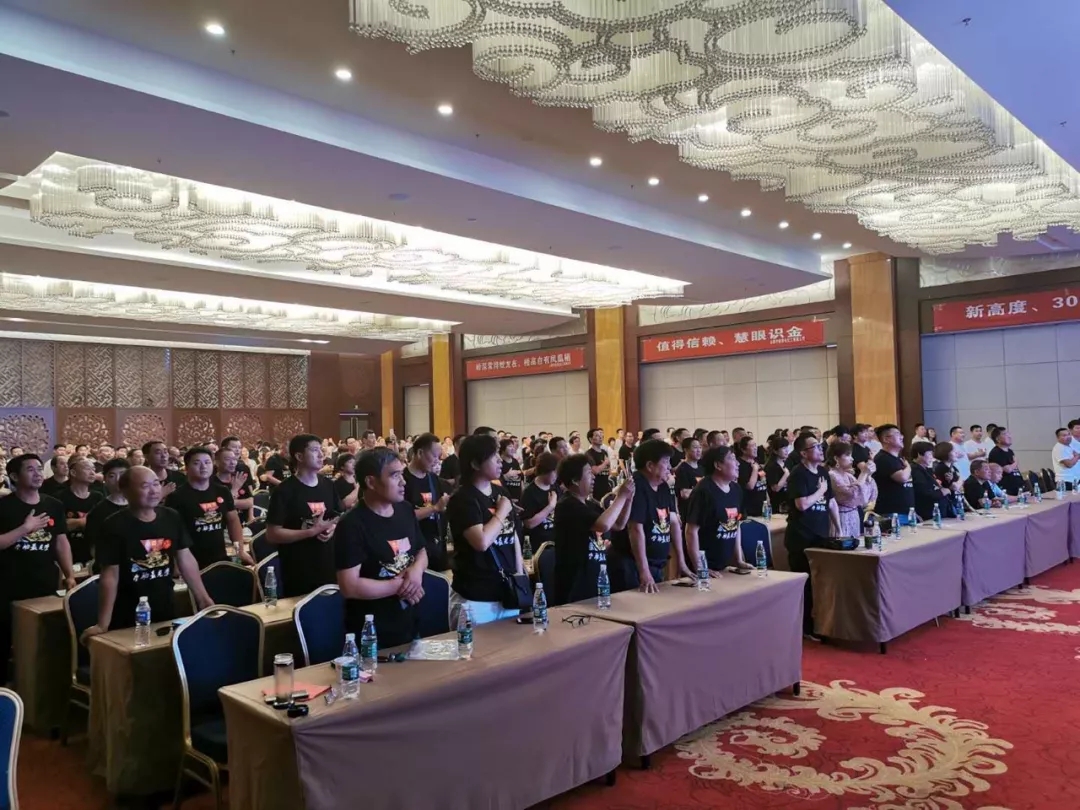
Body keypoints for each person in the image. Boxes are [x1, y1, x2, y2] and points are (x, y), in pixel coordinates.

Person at [81, 466, 212, 639]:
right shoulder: (113, 525)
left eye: (156, 484)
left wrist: (203, 599)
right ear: (126, 491)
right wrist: (103, 623)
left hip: (165, 605)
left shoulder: (171, 517)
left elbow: (185, 559)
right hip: (127, 612)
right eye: (145, 486)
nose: (153, 491)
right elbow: (110, 575)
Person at [334, 447, 428, 649]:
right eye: (395, 476)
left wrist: (416, 572)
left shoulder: (405, 510)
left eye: (402, 474)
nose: (403, 482)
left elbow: (421, 551)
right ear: (371, 482)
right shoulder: (352, 524)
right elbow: (349, 586)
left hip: (410, 619)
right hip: (371, 631)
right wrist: (403, 585)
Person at [0, 454, 75, 683]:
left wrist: (70, 575)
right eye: (30, 469)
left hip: (44, 582)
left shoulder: (53, 504)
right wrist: (26, 528)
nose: (37, 474)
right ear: (14, 476)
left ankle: (37, 688)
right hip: (8, 584)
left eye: (39, 469)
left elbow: (61, 542)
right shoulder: (4, 506)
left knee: (41, 640)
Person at [446, 434, 524, 626]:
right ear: (475, 463)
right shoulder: (463, 499)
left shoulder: (500, 492)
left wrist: (519, 576)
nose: (499, 460)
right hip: (475, 598)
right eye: (492, 455)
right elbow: (481, 542)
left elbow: (513, 536)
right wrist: (502, 512)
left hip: (507, 592)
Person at [608, 438, 692, 593]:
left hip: (655, 563)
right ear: (650, 466)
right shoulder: (636, 486)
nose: (670, 467)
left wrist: (681, 561)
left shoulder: (663, 486)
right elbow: (635, 530)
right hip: (631, 565)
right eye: (665, 462)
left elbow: (673, 522)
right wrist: (644, 571)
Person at [267, 434, 344, 598]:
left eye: (321, 450)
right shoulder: (284, 490)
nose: (321, 455)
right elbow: (272, 534)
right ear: (299, 456)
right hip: (298, 568)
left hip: (328, 563)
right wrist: (310, 532)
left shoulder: (328, 485)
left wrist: (332, 527)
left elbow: (338, 516)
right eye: (315, 450)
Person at [552, 454, 634, 604]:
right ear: (575, 480)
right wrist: (620, 496)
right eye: (589, 473)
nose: (594, 477)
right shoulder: (567, 505)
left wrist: (628, 499)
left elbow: (619, 524)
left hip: (596, 576)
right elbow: (603, 525)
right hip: (576, 582)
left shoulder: (590, 505)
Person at [785, 433, 839, 639]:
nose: (820, 449)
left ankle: (821, 623)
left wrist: (838, 528)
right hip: (801, 537)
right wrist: (820, 491)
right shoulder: (798, 474)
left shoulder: (823, 471)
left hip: (821, 535)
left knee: (821, 583)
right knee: (805, 584)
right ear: (803, 453)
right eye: (815, 446)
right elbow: (802, 504)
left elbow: (831, 502)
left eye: (819, 445)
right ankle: (805, 628)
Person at [166, 446, 249, 569]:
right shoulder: (176, 497)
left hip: (220, 558)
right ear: (186, 467)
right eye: (197, 463)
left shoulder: (222, 491)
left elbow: (233, 520)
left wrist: (240, 550)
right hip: (190, 561)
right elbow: (171, 533)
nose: (203, 467)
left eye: (207, 462)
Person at [685, 445, 750, 574]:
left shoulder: (736, 489)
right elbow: (691, 531)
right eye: (731, 459)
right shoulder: (703, 491)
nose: (737, 463)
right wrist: (701, 568)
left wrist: (738, 560)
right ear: (718, 465)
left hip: (725, 565)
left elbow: (736, 525)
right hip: (706, 566)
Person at [403, 434, 451, 572]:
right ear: (419, 453)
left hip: (437, 545)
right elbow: (403, 516)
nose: (437, 461)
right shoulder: (403, 480)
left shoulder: (433, 479)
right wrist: (434, 508)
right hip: (415, 549)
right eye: (434, 456)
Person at [84, 458, 131, 574]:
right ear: (104, 479)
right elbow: (94, 547)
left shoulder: (140, 506)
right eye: (112, 476)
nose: (118, 479)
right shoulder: (98, 512)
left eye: (122, 474)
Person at [58, 457, 103, 566]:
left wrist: (75, 522)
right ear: (73, 472)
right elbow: (59, 527)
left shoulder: (98, 497)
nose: (92, 472)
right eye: (87, 469)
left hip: (93, 553)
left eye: (94, 469)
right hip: (68, 552)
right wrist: (82, 522)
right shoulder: (60, 497)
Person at [826, 441, 875, 537]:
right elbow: (852, 494)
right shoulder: (832, 475)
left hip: (854, 516)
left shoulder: (848, 475)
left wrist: (868, 475)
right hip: (841, 517)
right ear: (836, 458)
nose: (852, 459)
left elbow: (866, 498)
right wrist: (863, 473)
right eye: (848, 455)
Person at [872, 424, 914, 526]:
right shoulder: (883, 458)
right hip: (892, 513)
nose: (902, 437)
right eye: (897, 434)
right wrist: (909, 467)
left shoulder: (898, 459)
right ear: (886, 439)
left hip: (906, 512)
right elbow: (902, 477)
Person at [520, 452, 559, 552]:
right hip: (538, 547)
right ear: (545, 472)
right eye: (554, 472)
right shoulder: (529, 492)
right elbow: (529, 524)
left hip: (555, 543)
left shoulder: (555, 487)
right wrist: (550, 507)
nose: (556, 476)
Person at [910, 441, 952, 520]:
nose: (932, 457)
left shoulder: (926, 469)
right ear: (919, 454)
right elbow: (925, 492)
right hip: (927, 513)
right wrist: (942, 492)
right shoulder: (915, 470)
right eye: (929, 454)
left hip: (937, 511)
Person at [214, 447, 254, 524]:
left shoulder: (238, 478)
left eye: (234, 459)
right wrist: (235, 489)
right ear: (217, 462)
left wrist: (230, 502)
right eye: (228, 459)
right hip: (223, 524)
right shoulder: (212, 483)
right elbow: (219, 507)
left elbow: (250, 502)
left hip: (243, 523)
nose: (232, 463)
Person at [736, 436, 768, 517]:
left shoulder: (755, 461)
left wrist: (768, 499)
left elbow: (763, 481)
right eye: (752, 446)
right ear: (743, 450)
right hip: (750, 509)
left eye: (755, 445)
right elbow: (750, 486)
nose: (755, 448)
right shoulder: (739, 464)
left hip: (762, 505)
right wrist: (755, 469)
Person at [673, 436, 703, 521]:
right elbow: (684, 494)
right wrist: (703, 491)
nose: (698, 450)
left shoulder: (702, 468)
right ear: (686, 450)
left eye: (700, 447)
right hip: (688, 513)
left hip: (701, 511)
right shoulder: (682, 469)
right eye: (695, 447)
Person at [988, 427, 1026, 496]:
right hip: (1007, 489)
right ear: (997, 439)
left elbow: (1014, 468)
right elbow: (1007, 469)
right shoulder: (996, 452)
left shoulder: (1010, 451)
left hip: (1018, 487)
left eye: (1009, 434)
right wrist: (1016, 462)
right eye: (1005, 434)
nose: (1009, 436)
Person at [764, 436, 791, 515]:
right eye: (783, 448)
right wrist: (786, 474)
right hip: (776, 504)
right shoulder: (771, 466)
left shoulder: (786, 463)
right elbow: (775, 488)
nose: (786, 450)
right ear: (775, 451)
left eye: (787, 447)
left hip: (787, 501)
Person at [584, 428, 612, 502]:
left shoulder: (604, 452)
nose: (600, 437)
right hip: (595, 488)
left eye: (600, 435)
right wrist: (605, 463)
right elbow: (595, 471)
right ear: (590, 439)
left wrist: (608, 466)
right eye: (597, 435)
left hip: (606, 486)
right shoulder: (589, 454)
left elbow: (609, 469)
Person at [498, 438, 524, 502]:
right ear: (502, 449)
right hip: (506, 499)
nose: (513, 448)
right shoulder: (499, 463)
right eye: (510, 446)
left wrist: (523, 494)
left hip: (518, 497)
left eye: (513, 446)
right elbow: (497, 482)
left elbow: (521, 478)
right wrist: (507, 475)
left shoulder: (515, 461)